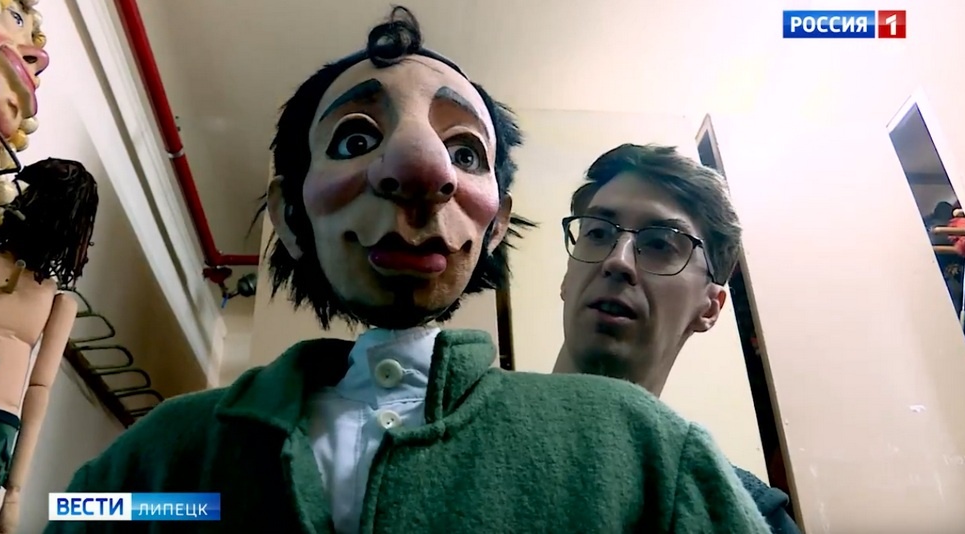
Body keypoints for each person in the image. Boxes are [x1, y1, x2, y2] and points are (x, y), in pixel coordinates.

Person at [48, 8, 770, 533]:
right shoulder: (163, 459)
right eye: (353, 138)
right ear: (289, 215)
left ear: (494, 225)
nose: (424, 169)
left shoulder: (650, 451)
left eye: (466, 153)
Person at [553, 143, 801, 533]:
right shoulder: (461, 430)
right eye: (598, 233)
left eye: (659, 244)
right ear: (567, 278)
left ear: (710, 308)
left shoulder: (741, 513)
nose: (617, 260)